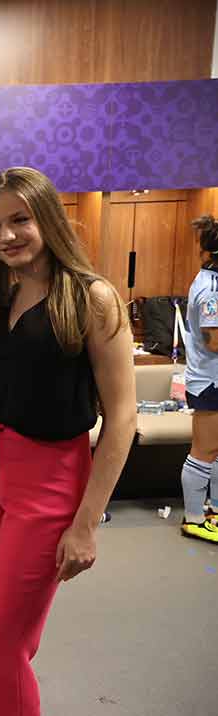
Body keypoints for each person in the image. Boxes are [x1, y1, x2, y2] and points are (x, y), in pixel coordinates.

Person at [0, 167, 136, 716]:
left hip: (48, 479)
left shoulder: (91, 297)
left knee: (1, 641)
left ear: (48, 219)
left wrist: (85, 524)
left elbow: (123, 418)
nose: (6, 236)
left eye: (19, 220)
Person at [179, 215, 218, 542]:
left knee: (216, 450)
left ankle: (214, 512)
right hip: (208, 381)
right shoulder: (211, 288)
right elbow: (213, 340)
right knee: (204, 450)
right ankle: (194, 518)